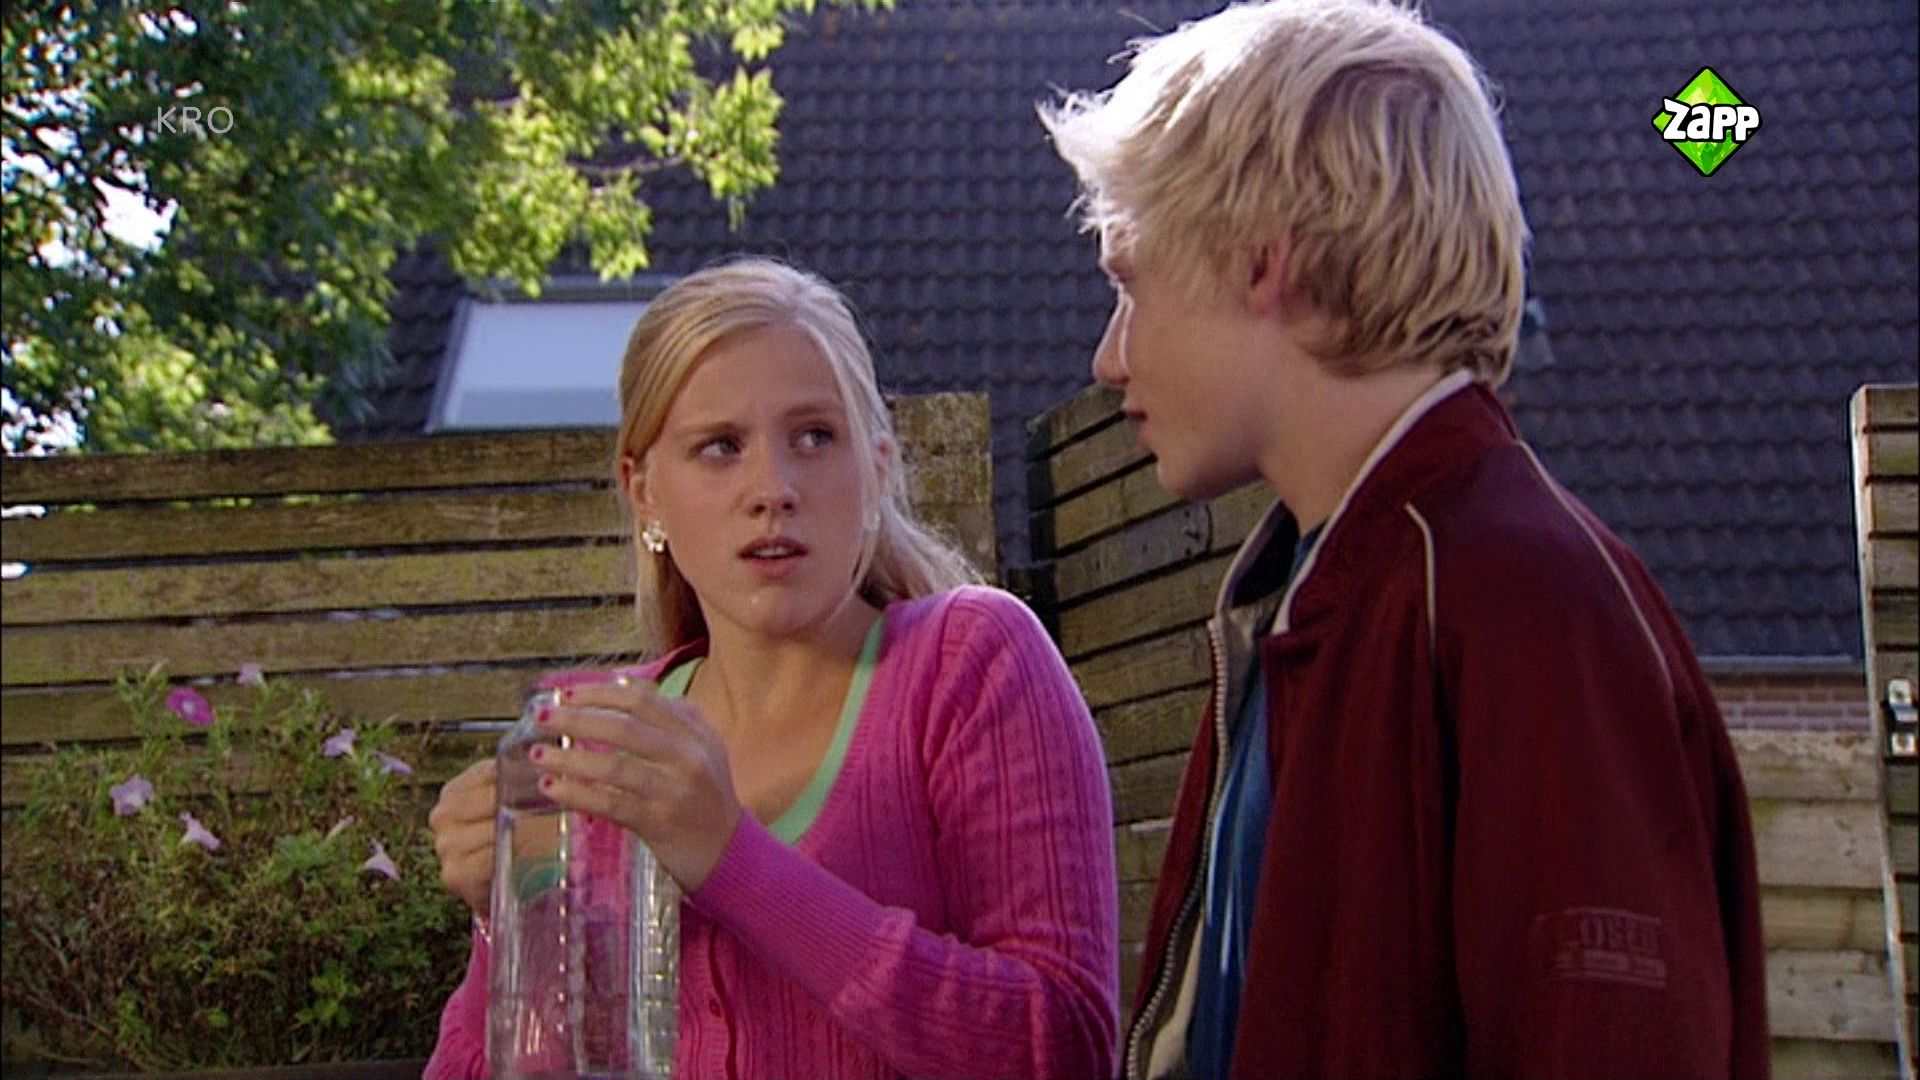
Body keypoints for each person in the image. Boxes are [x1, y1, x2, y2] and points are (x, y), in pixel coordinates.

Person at [1037, 3, 1769, 1078]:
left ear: (1263, 261)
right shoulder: (1306, 598)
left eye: (1128, 282)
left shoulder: (1524, 606)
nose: (1109, 359)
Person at [422, 258, 1119, 1079]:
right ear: (643, 492)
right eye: (720, 447)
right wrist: (513, 926)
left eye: (815, 437)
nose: (774, 488)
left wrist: (733, 861)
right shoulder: (592, 742)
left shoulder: (971, 662)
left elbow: (1065, 1045)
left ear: (877, 467)